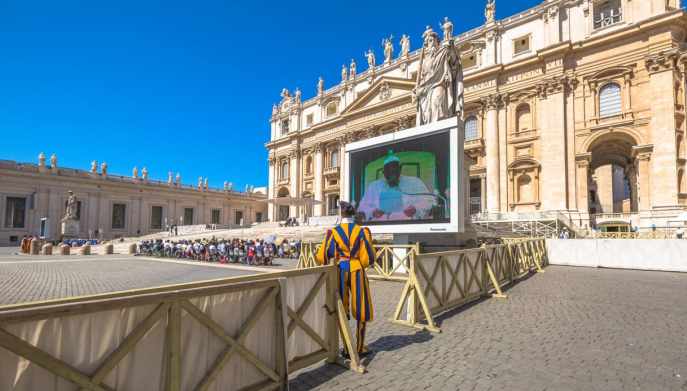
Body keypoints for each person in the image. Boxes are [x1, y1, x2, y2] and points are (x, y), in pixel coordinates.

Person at [316, 201, 375, 357]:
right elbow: (368, 257)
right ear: (353, 214)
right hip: (357, 269)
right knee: (361, 306)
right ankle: (360, 347)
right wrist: (357, 262)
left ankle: (347, 348)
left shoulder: (333, 233)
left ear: (340, 215)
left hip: (341, 270)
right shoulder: (363, 231)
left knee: (342, 307)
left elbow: (323, 256)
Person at [358, 150, 437, 222]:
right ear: (383, 172)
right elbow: (362, 207)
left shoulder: (414, 182)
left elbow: (430, 201)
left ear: (400, 169)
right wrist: (372, 212)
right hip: (380, 225)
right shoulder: (374, 186)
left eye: (394, 171)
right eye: (388, 172)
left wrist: (415, 209)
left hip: (407, 225)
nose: (392, 176)